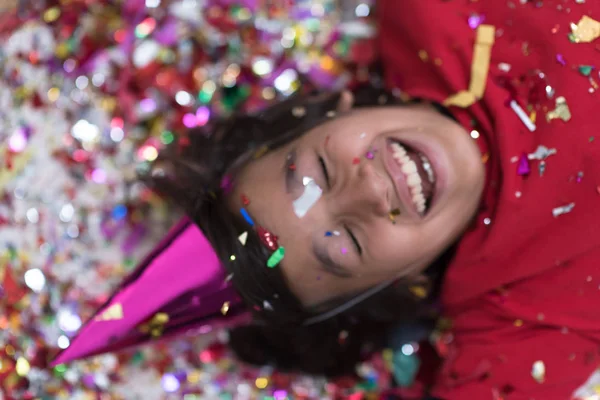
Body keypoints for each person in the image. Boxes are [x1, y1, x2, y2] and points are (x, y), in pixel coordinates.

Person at [54, 1, 600, 399]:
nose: (367, 190)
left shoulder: (434, 12)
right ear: (399, 286)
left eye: (314, 171)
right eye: (347, 243)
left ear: (334, 109)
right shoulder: (516, 322)